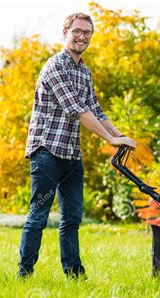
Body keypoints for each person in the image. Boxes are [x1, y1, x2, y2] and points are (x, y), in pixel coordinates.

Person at [18, 12, 136, 278]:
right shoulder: (54, 66)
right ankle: (24, 274)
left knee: (72, 219)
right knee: (38, 217)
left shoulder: (84, 72)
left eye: (87, 33)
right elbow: (77, 111)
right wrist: (110, 140)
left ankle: (74, 274)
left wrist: (120, 135)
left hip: (71, 154)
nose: (82, 37)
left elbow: (96, 110)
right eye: (77, 31)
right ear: (65, 33)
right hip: (46, 151)